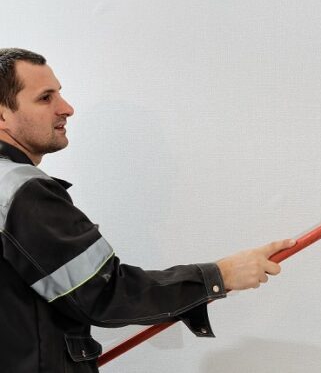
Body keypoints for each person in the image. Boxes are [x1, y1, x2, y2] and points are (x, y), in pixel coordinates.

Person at [0, 48, 295, 373]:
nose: (66, 109)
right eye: (45, 98)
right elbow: (102, 294)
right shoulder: (20, 191)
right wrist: (220, 276)